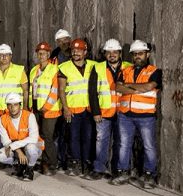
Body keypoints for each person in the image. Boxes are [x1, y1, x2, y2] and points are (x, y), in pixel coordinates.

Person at [111, 40, 162, 189]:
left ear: (148, 54)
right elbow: (117, 87)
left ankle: (149, 176)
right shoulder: (125, 71)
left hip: (146, 116)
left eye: (140, 53)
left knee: (149, 146)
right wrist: (135, 89)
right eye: (135, 54)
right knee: (123, 145)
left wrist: (128, 85)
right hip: (125, 115)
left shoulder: (154, 71)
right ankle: (123, 173)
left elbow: (149, 86)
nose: (137, 56)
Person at [88, 39, 130, 180]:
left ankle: (116, 170)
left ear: (120, 53)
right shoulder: (98, 68)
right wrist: (95, 112)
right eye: (109, 52)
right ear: (105, 54)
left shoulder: (128, 67)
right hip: (104, 113)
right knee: (101, 141)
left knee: (120, 141)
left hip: (123, 113)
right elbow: (92, 92)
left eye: (115, 52)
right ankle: (99, 169)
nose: (112, 55)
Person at [57, 38, 99, 176]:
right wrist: (65, 108)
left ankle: (86, 163)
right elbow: (61, 90)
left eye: (79, 50)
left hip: (88, 110)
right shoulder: (64, 67)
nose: (75, 53)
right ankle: (76, 163)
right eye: (74, 50)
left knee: (88, 137)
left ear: (85, 52)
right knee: (73, 138)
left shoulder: (94, 66)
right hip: (73, 110)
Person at [0, 45, 29, 164]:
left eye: (6, 55)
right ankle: (4, 160)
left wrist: (25, 107)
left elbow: (25, 89)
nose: (4, 57)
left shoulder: (19, 70)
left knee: (17, 135)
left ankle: (19, 160)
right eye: (1, 55)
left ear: (10, 56)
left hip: (14, 110)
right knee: (1, 137)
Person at [29, 42, 61, 175]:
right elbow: (32, 90)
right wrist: (31, 107)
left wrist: (46, 106)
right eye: (39, 53)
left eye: (44, 53)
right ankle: (42, 161)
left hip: (50, 108)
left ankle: (51, 164)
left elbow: (56, 90)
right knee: (39, 136)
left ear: (49, 54)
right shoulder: (34, 70)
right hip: (36, 107)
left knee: (48, 136)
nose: (41, 55)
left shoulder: (54, 69)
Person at [0, 93, 43, 181]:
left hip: (32, 146)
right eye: (10, 105)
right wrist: (18, 151)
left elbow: (33, 138)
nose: (12, 108)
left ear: (20, 105)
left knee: (31, 148)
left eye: (15, 105)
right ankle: (20, 165)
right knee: (0, 155)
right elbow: (5, 141)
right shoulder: (2, 119)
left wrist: (14, 146)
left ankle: (30, 168)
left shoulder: (29, 116)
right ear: (7, 106)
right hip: (17, 148)